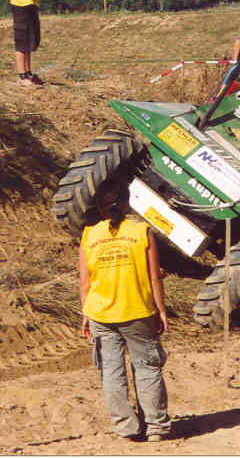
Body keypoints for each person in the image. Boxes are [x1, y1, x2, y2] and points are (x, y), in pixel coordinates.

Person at [79, 181, 172, 442]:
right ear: (128, 203)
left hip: (100, 314)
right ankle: (156, 426)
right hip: (138, 312)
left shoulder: (88, 236)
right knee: (148, 369)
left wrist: (86, 313)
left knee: (111, 372)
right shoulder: (142, 231)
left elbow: (85, 284)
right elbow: (155, 278)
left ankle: (126, 427)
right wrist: (161, 310)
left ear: (99, 208)